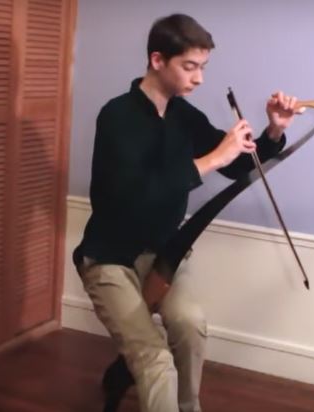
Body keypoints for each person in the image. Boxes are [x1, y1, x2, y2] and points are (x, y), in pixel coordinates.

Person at [73, 13, 299, 412]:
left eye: (203, 67)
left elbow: (239, 165)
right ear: (158, 60)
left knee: (190, 325)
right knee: (155, 359)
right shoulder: (117, 116)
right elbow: (135, 195)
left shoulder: (184, 115)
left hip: (165, 254)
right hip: (110, 257)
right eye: (189, 66)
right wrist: (213, 157)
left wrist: (274, 132)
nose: (199, 79)